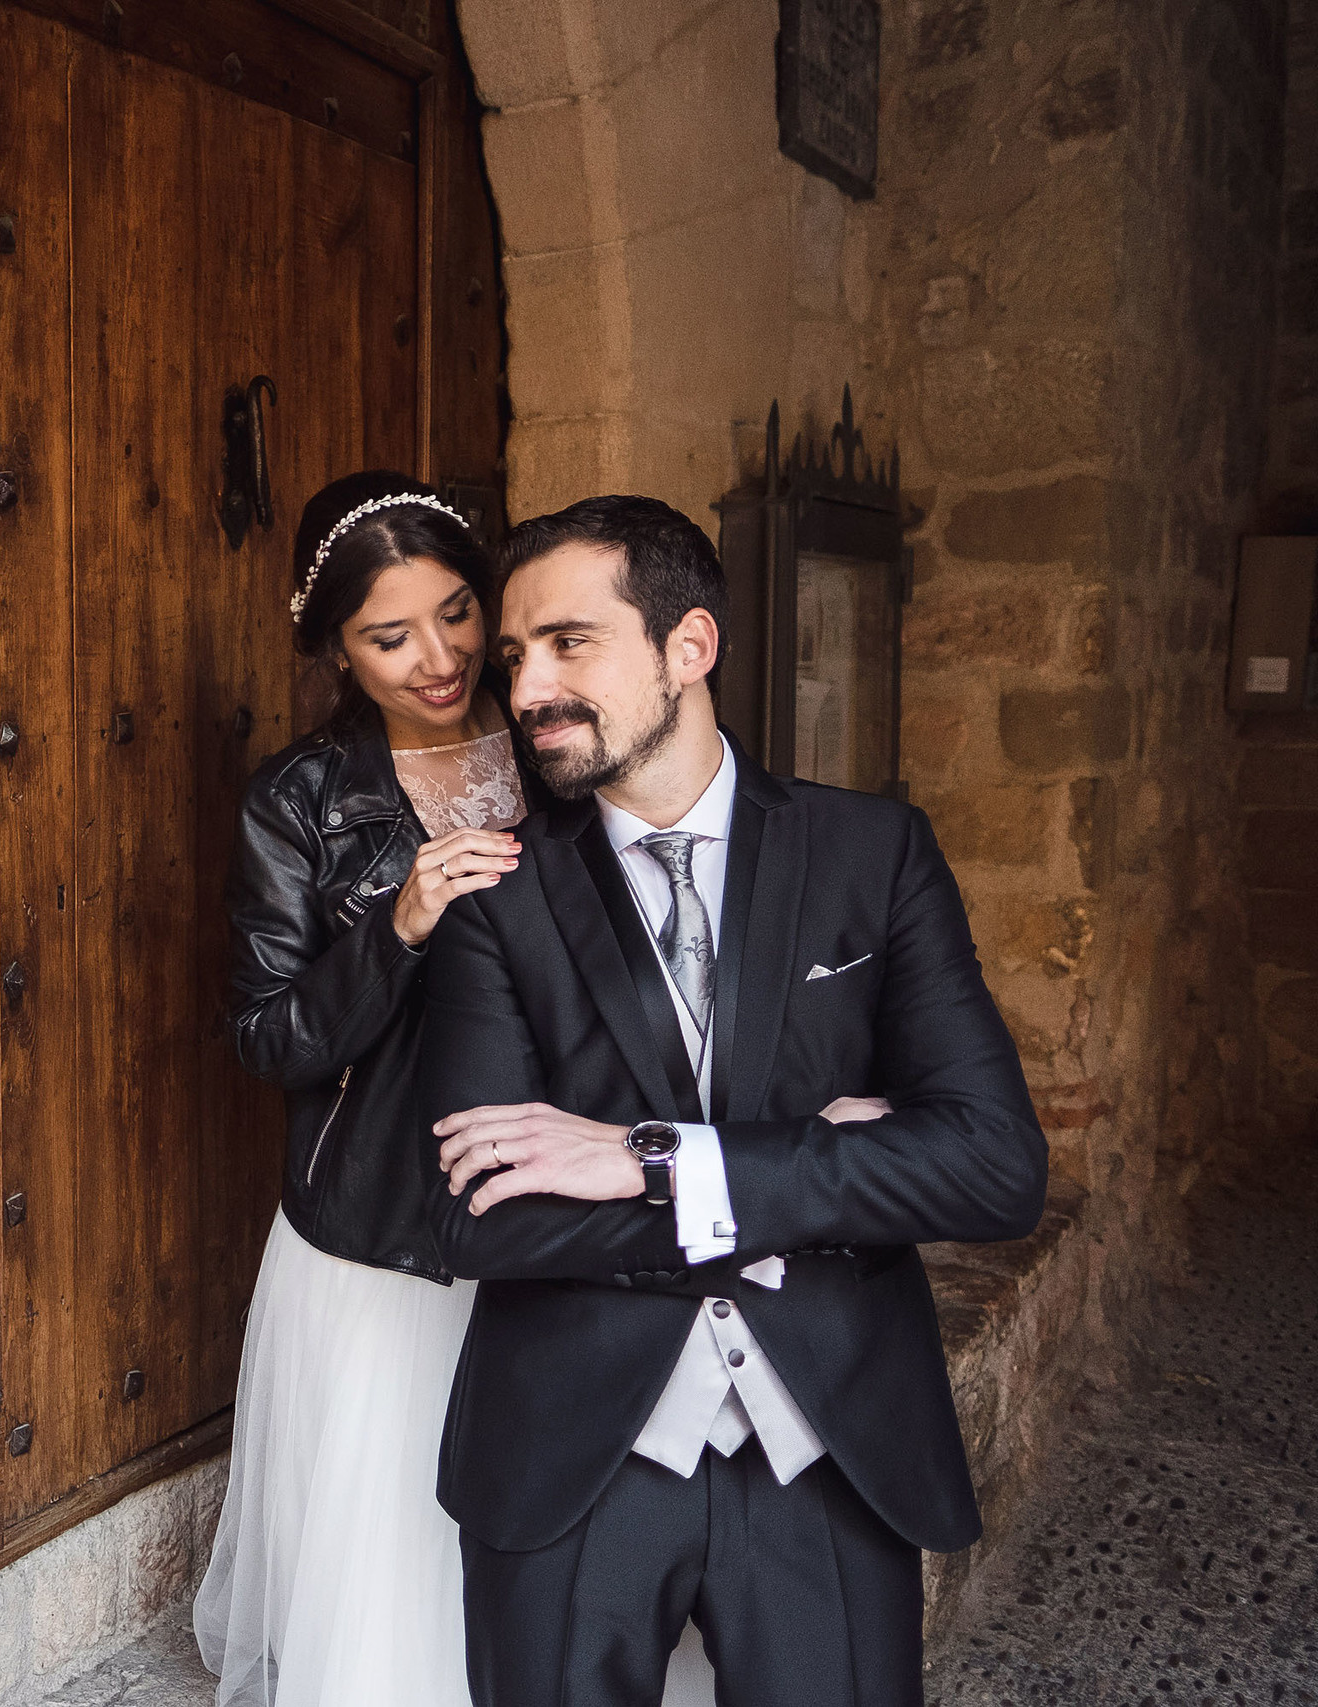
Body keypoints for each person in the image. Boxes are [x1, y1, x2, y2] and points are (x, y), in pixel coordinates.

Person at [419, 495, 1047, 1706]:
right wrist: (819, 1165)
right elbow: (480, 1215)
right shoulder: (493, 895)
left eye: (568, 643)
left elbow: (989, 1167)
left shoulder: (875, 855)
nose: (528, 686)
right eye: (513, 658)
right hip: (569, 1446)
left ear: (688, 648)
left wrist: (656, 1160)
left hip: (829, 1431)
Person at [192, 472, 525, 1707]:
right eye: (389, 637)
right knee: (398, 1575)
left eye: (456, 614)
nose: (437, 658)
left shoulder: (558, 734)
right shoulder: (299, 800)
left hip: (561, 1192)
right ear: (332, 643)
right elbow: (268, 1038)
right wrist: (401, 921)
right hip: (384, 1228)